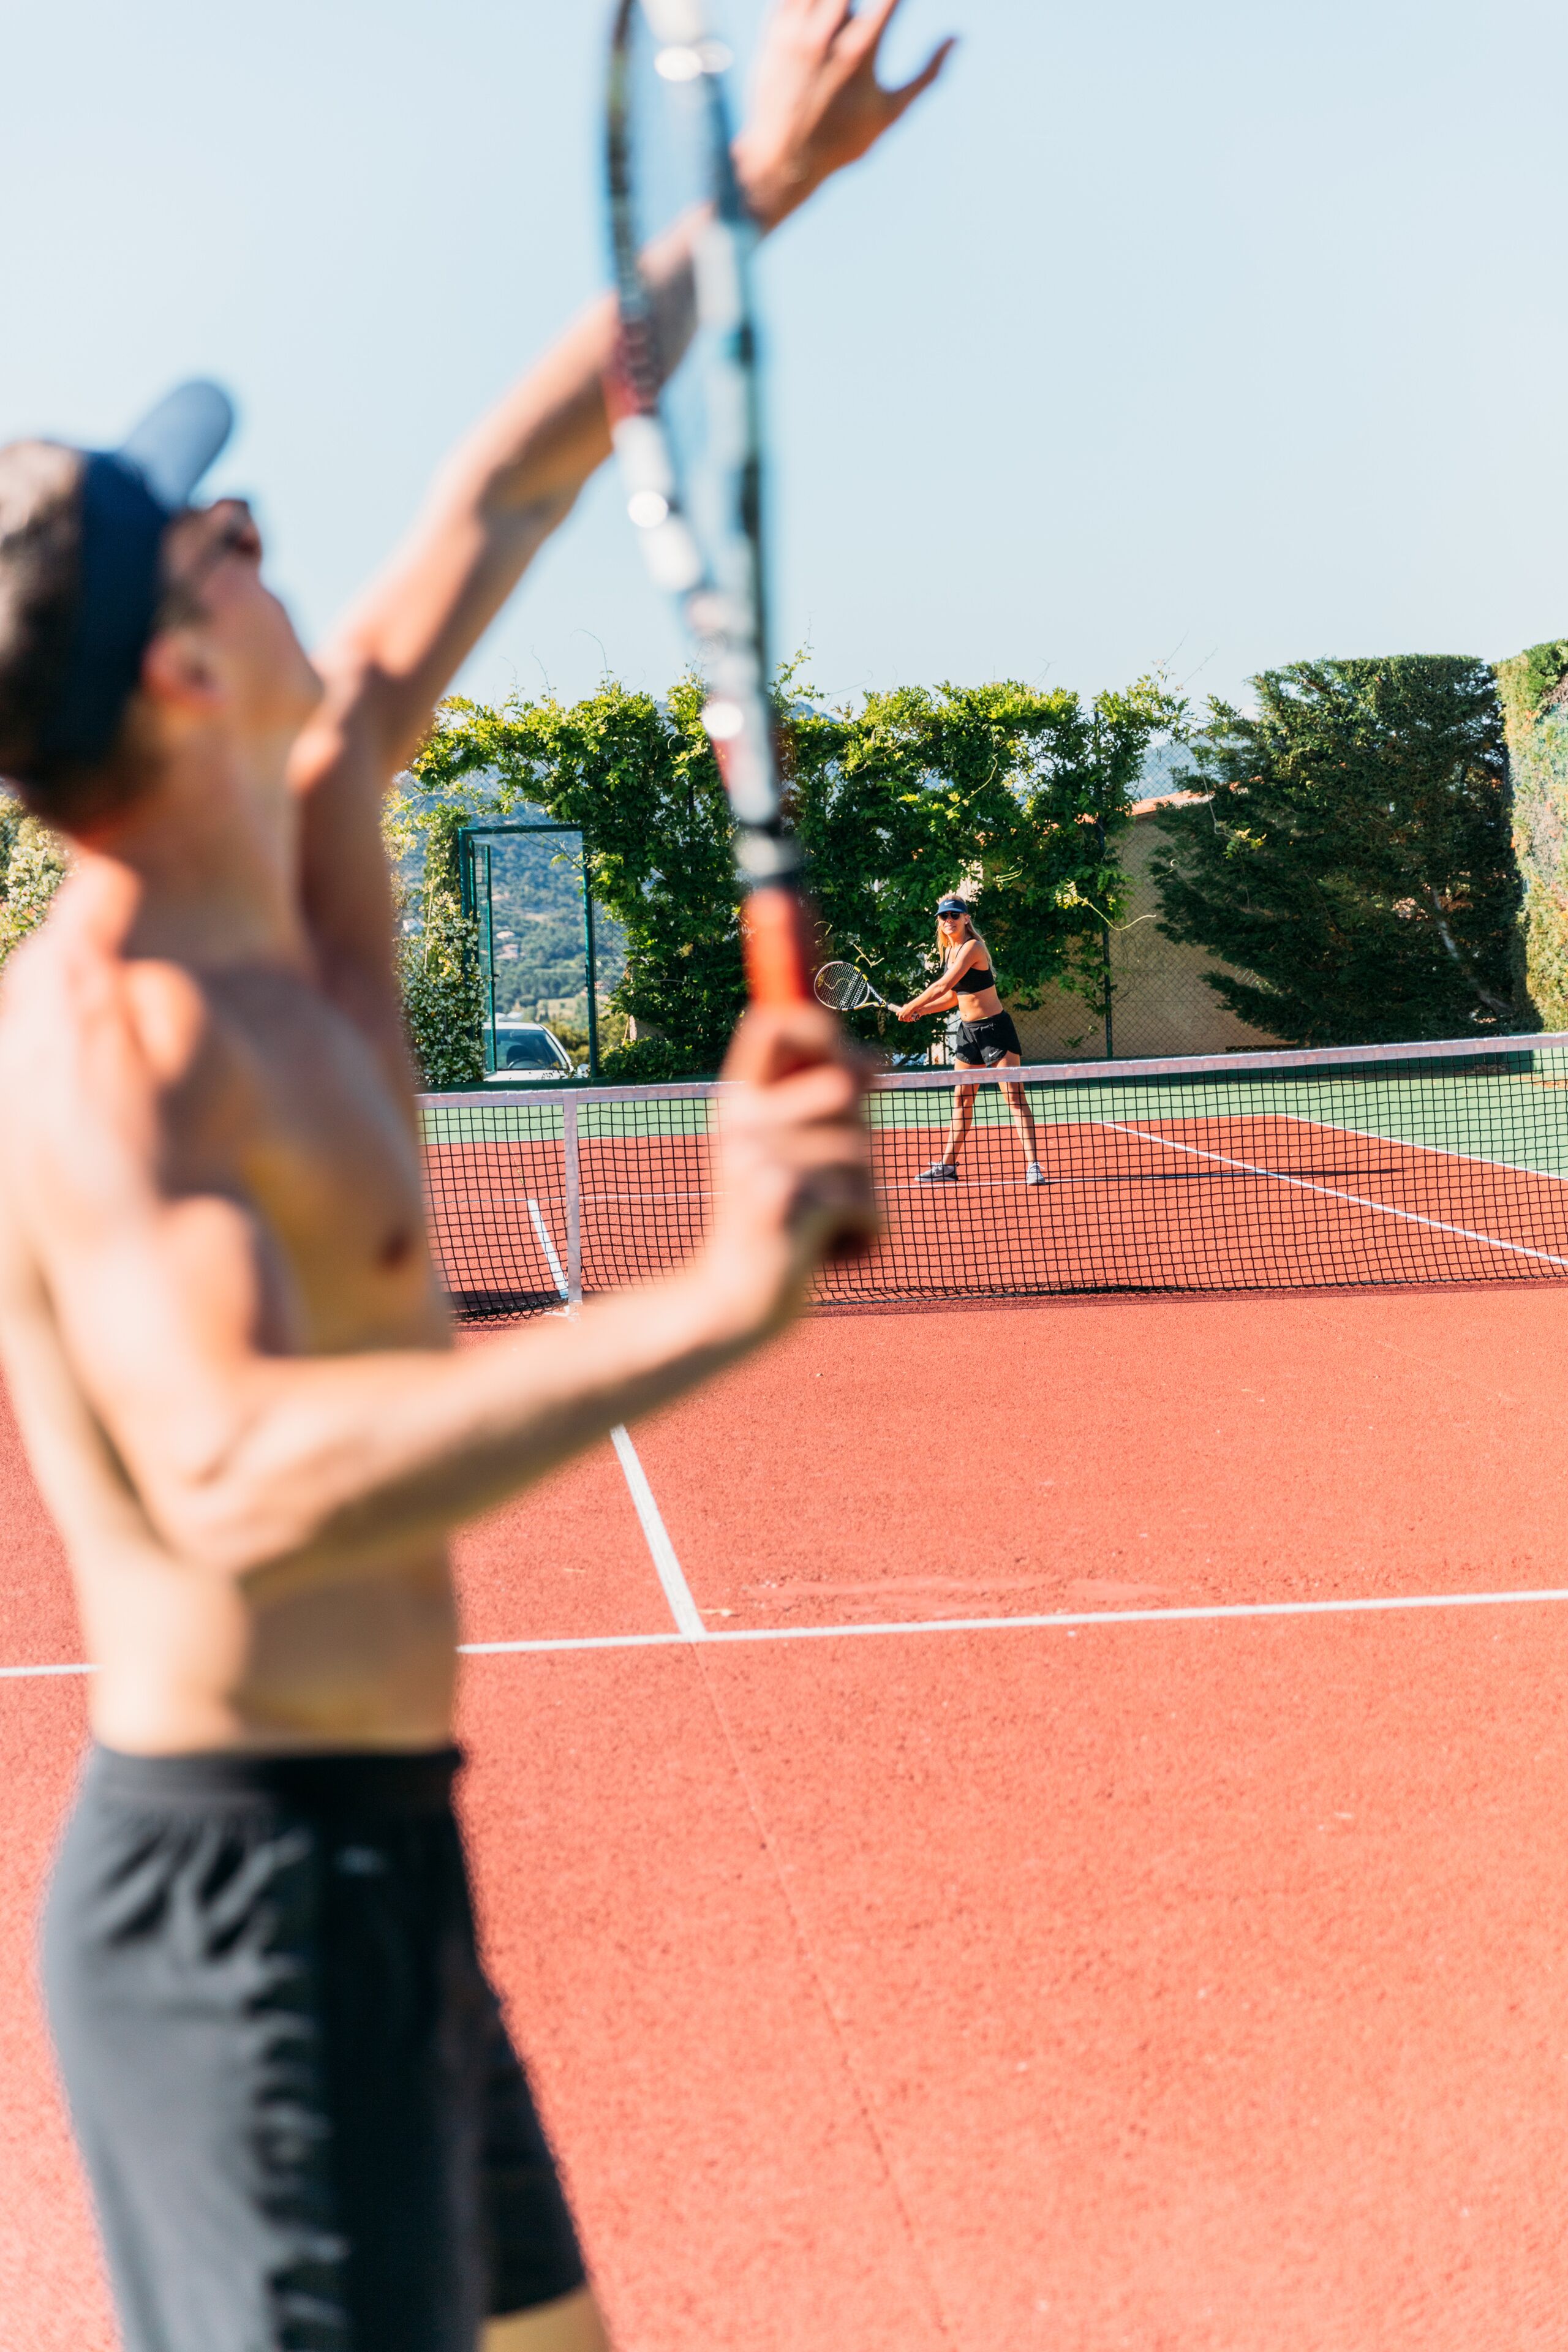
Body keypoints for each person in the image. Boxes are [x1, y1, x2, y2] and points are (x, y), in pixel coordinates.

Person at [0, 7, 952, 2350]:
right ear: (174, 675)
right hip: (239, 1925)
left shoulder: (306, 851)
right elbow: (229, 1465)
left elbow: (493, 496)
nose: (258, 523)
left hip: (381, 1862)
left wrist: (746, 200)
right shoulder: (120, 1038)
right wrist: (709, 1294)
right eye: (210, 534)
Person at [896, 892, 1044, 1185]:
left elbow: (943, 985)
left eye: (954, 915)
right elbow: (954, 997)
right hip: (967, 1034)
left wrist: (912, 1005)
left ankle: (1033, 1166)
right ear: (939, 922)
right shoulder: (949, 953)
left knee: (1014, 1098)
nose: (949, 920)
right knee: (962, 1100)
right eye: (943, 916)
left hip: (995, 1030)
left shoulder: (973, 947)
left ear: (966, 918)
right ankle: (948, 1166)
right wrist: (922, 1011)